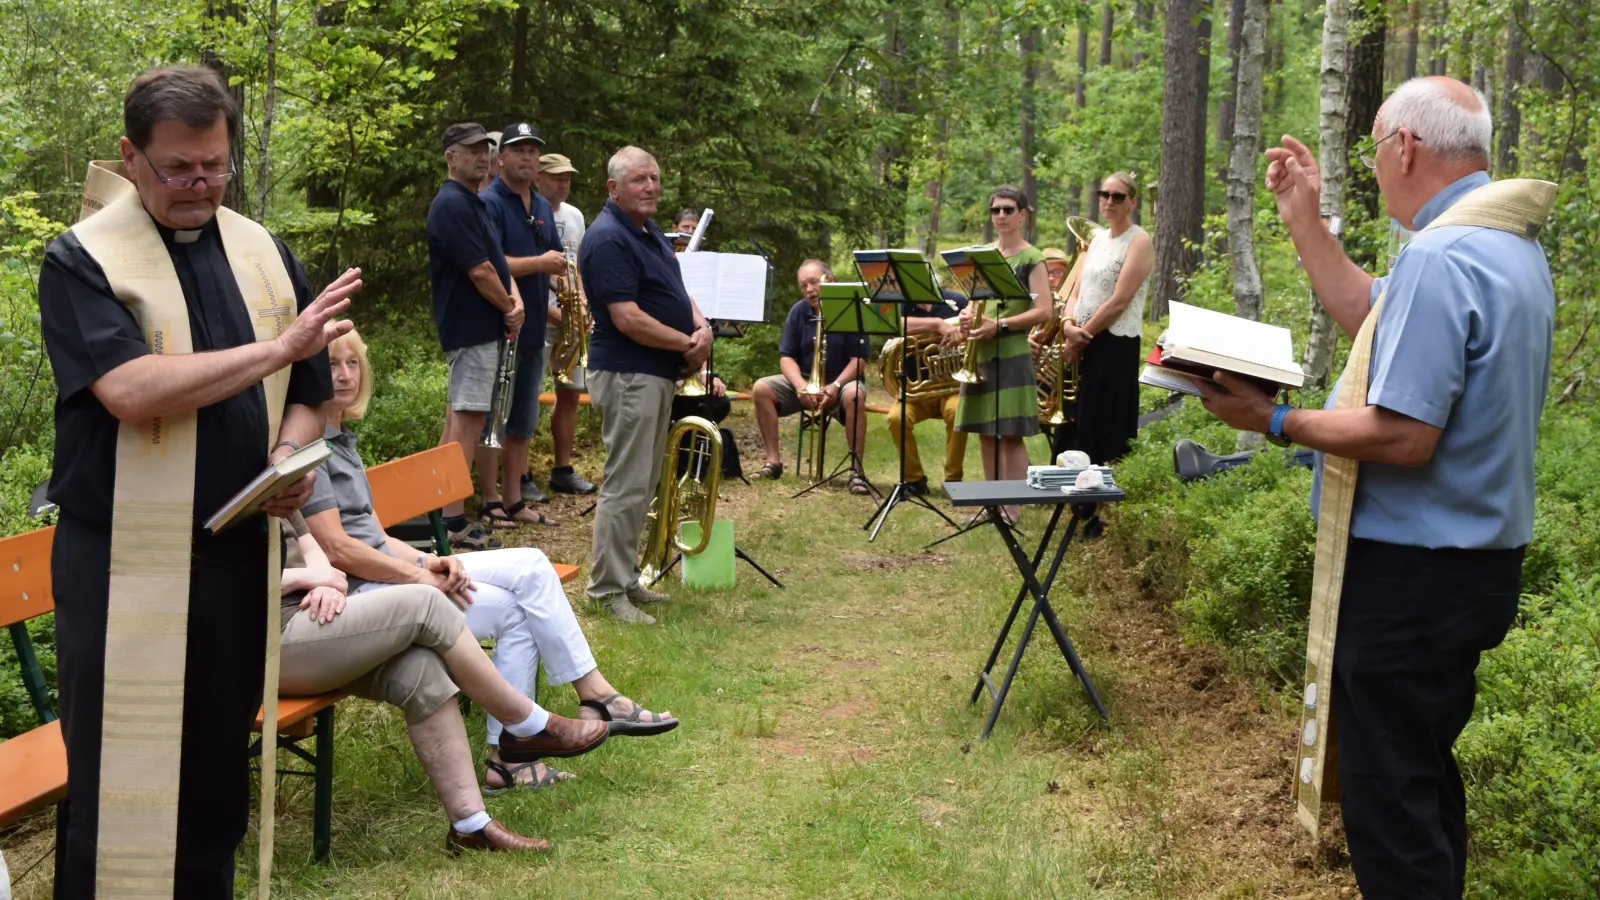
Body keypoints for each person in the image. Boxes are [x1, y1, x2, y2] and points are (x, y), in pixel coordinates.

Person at [1198, 77, 1554, 900]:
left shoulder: (1440, 254)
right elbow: (1377, 318)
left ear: (1405, 148)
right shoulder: (1505, 243)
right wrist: (1304, 220)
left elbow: (1403, 434)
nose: (1375, 167)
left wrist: (1274, 421)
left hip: (1411, 578)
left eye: (1375, 150)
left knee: (1388, 800)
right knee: (1420, 774)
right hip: (1475, 566)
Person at [37, 65, 356, 896]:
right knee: (121, 786)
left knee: (216, 773)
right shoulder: (82, 259)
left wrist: (288, 459)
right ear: (130, 157)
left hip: (237, 555)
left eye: (215, 166)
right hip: (121, 566)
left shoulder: (259, 250)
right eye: (178, 168)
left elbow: (312, 396)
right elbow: (130, 390)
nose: (200, 185)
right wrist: (278, 352)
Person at [302, 328, 679, 789]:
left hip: (394, 576)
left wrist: (434, 562)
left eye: (352, 364)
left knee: (523, 594)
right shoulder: (310, 448)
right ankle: (590, 699)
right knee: (532, 575)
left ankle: (509, 758)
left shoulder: (341, 438)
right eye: (331, 365)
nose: (343, 375)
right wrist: (418, 576)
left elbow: (376, 535)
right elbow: (337, 549)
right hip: (366, 599)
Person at [278, 513, 598, 852]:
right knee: (426, 602)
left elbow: (312, 547)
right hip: (261, 645)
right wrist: (308, 577)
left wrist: (325, 580)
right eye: (284, 453)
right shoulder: (227, 479)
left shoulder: (273, 475)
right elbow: (230, 579)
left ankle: (469, 827)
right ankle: (525, 725)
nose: (292, 458)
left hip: (313, 619)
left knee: (421, 669)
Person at [579, 146, 711, 624]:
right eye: (639, 180)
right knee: (625, 485)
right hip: (630, 374)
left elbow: (674, 290)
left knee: (644, 483)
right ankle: (605, 590)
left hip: (653, 373)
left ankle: (625, 575)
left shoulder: (647, 230)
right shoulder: (608, 237)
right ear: (613, 189)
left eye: (655, 178)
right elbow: (627, 317)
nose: (651, 187)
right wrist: (686, 344)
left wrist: (702, 326)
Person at [427, 122, 525, 549]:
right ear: (451, 157)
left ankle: (441, 511)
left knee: (459, 419)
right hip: (471, 329)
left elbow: (495, 264)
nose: (483, 156)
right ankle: (452, 522)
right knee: (467, 421)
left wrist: (510, 304)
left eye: (486, 148)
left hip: (480, 328)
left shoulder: (472, 203)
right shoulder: (451, 204)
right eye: (472, 150)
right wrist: (508, 307)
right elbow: (480, 270)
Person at [1047, 173, 1153, 521]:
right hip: (1082, 339)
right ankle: (1074, 501)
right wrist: (1066, 326)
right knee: (1076, 420)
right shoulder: (1095, 240)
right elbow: (1075, 291)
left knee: (1104, 423)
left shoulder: (1139, 242)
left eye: (1117, 196)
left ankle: (1101, 514)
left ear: (1132, 202)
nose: (1108, 201)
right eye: (1103, 194)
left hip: (1113, 345)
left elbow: (1120, 300)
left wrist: (1082, 335)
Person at [476, 122, 566, 528]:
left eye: (533, 151)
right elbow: (492, 264)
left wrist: (567, 288)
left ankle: (514, 498)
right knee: (495, 415)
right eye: (519, 150)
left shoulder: (543, 206)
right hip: (500, 326)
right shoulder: (490, 202)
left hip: (535, 330)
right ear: (501, 159)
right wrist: (541, 264)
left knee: (524, 417)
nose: (528, 158)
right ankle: (490, 499)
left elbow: (555, 259)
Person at [953, 186, 1054, 524]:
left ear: (1022, 215)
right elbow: (972, 302)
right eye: (996, 210)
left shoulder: (1032, 258)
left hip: (1011, 350)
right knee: (985, 430)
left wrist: (1002, 325)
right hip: (980, 351)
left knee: (1008, 433)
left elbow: (1044, 311)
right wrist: (967, 317)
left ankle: (1012, 508)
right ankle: (991, 504)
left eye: (1008, 210)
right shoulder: (981, 256)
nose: (1001, 216)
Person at [750, 260, 871, 492]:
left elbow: (860, 360)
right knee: (761, 388)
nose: (809, 290)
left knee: (854, 395)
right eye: (803, 285)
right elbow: (786, 357)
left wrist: (835, 386)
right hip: (805, 380)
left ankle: (856, 472)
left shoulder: (852, 308)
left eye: (814, 282)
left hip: (842, 381)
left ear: (830, 281)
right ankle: (773, 462)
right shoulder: (798, 311)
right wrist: (800, 386)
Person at [536, 152, 598, 496]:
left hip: (573, 317)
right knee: (528, 398)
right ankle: (521, 476)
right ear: (538, 178)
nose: (564, 184)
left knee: (571, 393)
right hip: (540, 315)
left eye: (567, 178)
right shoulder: (531, 212)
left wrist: (584, 305)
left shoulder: (574, 215)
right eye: (557, 177)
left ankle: (563, 469)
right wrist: (549, 312)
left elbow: (579, 264)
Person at [884, 289, 968, 496]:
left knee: (957, 412)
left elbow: (972, 327)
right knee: (896, 418)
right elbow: (893, 325)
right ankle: (914, 479)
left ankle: (953, 479)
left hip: (952, 388)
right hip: (916, 391)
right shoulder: (899, 305)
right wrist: (937, 324)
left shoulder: (956, 301)